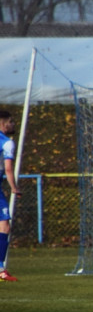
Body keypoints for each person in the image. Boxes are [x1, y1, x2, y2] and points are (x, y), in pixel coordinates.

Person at [0, 110, 22, 282]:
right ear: (3, 123)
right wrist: (14, 187)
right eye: (11, 122)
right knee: (4, 226)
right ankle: (0, 269)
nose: (13, 124)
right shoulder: (7, 143)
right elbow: (8, 168)